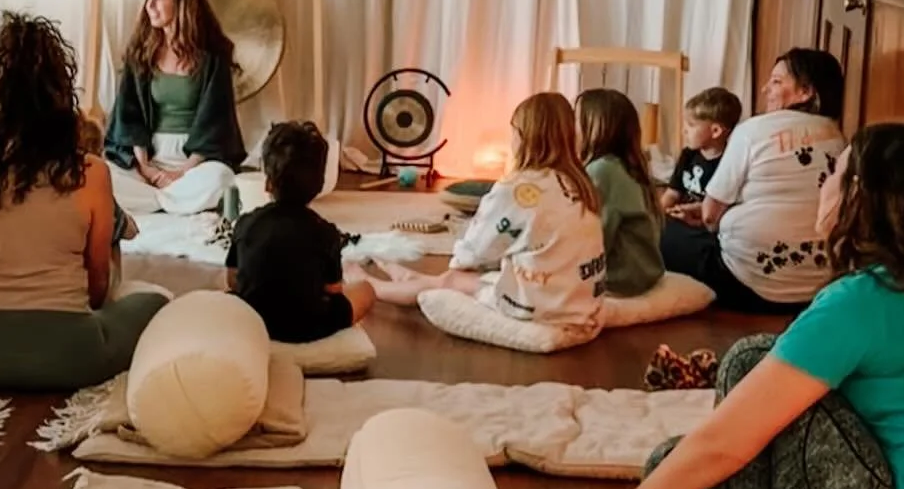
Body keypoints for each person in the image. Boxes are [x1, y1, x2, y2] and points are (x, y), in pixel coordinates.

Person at [608, 123, 904, 489]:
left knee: (750, 364)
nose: (824, 186)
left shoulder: (864, 301)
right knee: (677, 461)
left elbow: (726, 443)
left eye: (834, 173)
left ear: (858, 194)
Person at [0, 12, 168, 392]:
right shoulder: (91, 173)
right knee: (152, 303)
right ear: (61, 95)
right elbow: (97, 288)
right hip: (73, 358)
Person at [364, 93, 606, 334]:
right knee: (476, 276)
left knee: (452, 279)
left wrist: (460, 264)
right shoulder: (581, 183)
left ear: (523, 136)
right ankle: (408, 277)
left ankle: (371, 288)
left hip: (542, 304)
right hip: (579, 296)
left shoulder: (517, 189)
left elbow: (473, 252)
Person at [661, 49, 845, 313]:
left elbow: (711, 216)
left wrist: (703, 217)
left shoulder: (752, 131)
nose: (764, 89)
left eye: (777, 82)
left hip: (743, 280)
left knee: (660, 229)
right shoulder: (837, 137)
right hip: (814, 288)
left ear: (806, 92)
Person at [103, 0, 245, 217]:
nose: (150, 5)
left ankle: (154, 201)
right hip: (148, 158)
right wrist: (146, 168)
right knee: (103, 175)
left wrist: (183, 172)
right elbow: (129, 115)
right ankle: (172, 200)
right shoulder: (141, 53)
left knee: (221, 178)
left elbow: (216, 123)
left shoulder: (212, 58)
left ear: (181, 1)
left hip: (196, 161)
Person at [228, 120, 374, 343]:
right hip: (308, 328)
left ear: (268, 183)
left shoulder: (246, 223)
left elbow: (232, 280)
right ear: (318, 185)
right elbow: (333, 291)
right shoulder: (326, 232)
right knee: (366, 290)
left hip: (253, 319)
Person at [577, 88, 665, 298]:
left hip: (622, 277)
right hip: (645, 271)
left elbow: (595, 237)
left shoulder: (602, 170)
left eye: (576, 118)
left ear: (596, 126)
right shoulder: (624, 166)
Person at [660, 87, 742, 214]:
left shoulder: (729, 163)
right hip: (679, 216)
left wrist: (694, 210)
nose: (684, 131)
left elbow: (720, 208)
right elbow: (672, 193)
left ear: (715, 131)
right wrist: (656, 216)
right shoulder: (688, 155)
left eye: (691, 125)